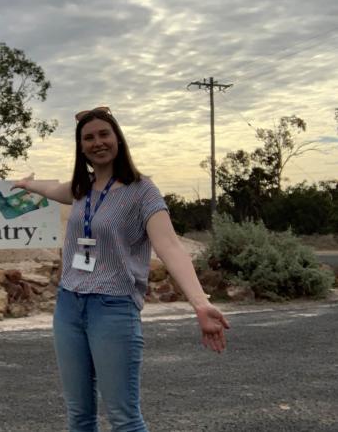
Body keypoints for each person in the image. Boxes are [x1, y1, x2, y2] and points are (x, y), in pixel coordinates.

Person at [14, 106, 230, 432]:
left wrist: (200, 302)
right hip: (69, 306)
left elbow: (170, 245)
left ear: (118, 139)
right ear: (80, 146)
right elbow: (51, 189)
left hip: (112, 308)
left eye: (104, 134)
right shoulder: (81, 188)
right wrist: (28, 185)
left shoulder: (143, 191)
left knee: (124, 419)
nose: (97, 142)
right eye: (88, 137)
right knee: (79, 416)